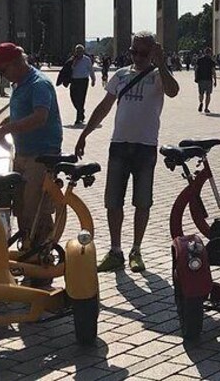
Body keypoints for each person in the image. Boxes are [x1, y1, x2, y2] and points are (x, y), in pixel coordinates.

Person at [75, 32, 179, 273]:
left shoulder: (158, 76)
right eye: (135, 52)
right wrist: (84, 133)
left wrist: (161, 63)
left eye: (145, 53)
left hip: (145, 147)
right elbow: (104, 107)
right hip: (119, 145)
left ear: (153, 52)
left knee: (142, 202)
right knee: (113, 201)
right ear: (129, 50)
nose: (139, 57)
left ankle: (136, 249)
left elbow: (173, 91)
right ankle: (115, 250)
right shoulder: (120, 75)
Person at [0, 43, 63, 267]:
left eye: (3, 70)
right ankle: (29, 248)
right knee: (20, 206)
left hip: (41, 154)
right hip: (23, 152)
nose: (3, 76)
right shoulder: (20, 84)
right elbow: (19, 114)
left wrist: (7, 130)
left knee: (35, 206)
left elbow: (40, 117)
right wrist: (2, 126)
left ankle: (42, 255)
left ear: (18, 63)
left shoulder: (39, 84)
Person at [69, 44, 96, 125]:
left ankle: (78, 118)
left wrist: (93, 79)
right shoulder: (72, 59)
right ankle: (81, 111)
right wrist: (74, 62)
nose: (78, 53)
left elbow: (91, 69)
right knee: (73, 97)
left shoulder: (87, 59)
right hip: (74, 81)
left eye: (80, 51)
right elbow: (68, 69)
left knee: (81, 99)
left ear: (83, 51)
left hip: (83, 81)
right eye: (77, 51)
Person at [194, 47, 216, 113]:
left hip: (201, 79)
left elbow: (196, 69)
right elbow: (213, 71)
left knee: (201, 93)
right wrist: (215, 80)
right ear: (210, 53)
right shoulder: (211, 61)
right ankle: (206, 108)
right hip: (208, 79)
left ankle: (201, 102)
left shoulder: (199, 60)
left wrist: (195, 77)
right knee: (208, 94)